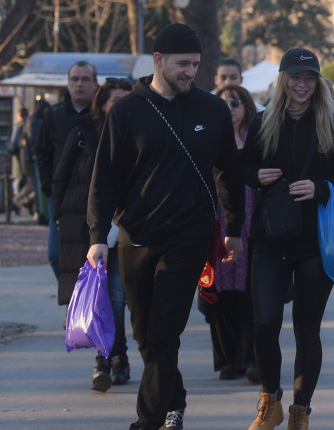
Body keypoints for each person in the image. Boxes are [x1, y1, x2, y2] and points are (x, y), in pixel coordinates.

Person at [87, 23, 244, 430]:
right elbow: (104, 180)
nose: (191, 72)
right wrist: (96, 237)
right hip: (136, 236)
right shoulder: (126, 111)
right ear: (158, 60)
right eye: (182, 64)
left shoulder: (212, 110)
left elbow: (229, 171)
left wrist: (235, 229)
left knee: (164, 331)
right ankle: (174, 399)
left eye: (196, 64)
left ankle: (149, 420)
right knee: (143, 334)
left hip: (189, 237)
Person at [242, 48, 334, 430]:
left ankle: (300, 410)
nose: (302, 85)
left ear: (319, 82)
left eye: (309, 78)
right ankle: (269, 400)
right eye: (295, 77)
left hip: (314, 241)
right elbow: (243, 167)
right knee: (264, 323)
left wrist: (320, 187)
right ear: (282, 79)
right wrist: (255, 176)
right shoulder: (262, 122)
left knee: (307, 330)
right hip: (270, 237)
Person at [53, 78, 133, 393]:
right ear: (103, 104)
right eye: (116, 100)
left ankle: (116, 357)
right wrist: (61, 217)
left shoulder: (138, 134)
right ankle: (105, 360)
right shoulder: (83, 133)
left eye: (127, 99)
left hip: (126, 229)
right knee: (102, 298)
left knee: (115, 299)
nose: (122, 106)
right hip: (90, 231)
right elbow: (61, 178)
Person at [206, 84, 258, 382]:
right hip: (217, 227)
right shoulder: (209, 140)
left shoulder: (257, 141)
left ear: (246, 106)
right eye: (223, 103)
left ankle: (251, 358)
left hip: (253, 228)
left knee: (250, 298)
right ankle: (227, 360)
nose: (230, 108)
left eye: (235, 102)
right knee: (220, 296)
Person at [37, 60, 99, 279]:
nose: (79, 84)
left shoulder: (102, 116)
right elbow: (42, 154)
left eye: (85, 79)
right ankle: (73, 300)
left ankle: (84, 304)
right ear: (68, 83)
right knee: (56, 255)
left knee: (91, 254)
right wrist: (49, 188)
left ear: (95, 83)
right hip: (62, 197)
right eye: (74, 79)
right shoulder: (53, 116)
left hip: (95, 197)